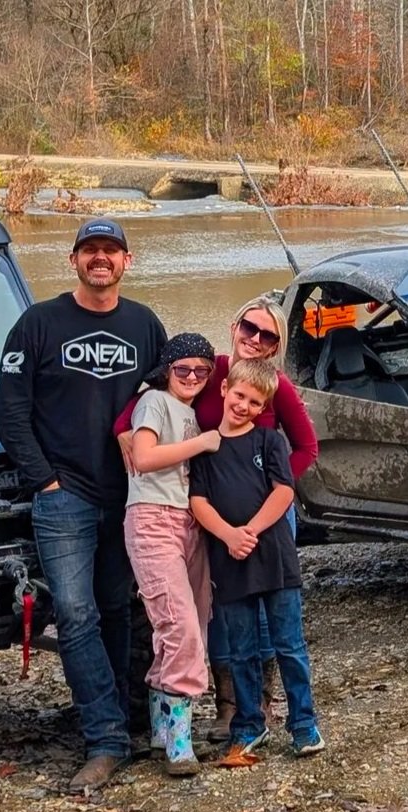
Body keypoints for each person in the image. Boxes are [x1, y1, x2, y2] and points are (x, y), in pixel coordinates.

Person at [0, 217, 167, 793]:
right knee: (74, 614)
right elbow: (9, 409)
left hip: (129, 495)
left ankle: (119, 716)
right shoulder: (38, 323)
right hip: (63, 496)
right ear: (73, 260)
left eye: (110, 251)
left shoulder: (144, 324)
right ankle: (105, 738)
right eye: (90, 250)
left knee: (116, 609)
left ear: (126, 261)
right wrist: (43, 480)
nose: (101, 259)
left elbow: (171, 399)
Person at [113, 293, 319, 741]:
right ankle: (231, 708)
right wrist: (122, 431)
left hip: (266, 513)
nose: (256, 339)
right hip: (208, 511)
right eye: (250, 328)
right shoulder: (208, 372)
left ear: (276, 344)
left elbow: (307, 447)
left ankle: (263, 705)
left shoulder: (272, 383)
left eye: (268, 335)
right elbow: (149, 398)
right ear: (234, 326)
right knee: (223, 609)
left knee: (269, 620)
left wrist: (273, 486)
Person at [189, 358, 325, 763]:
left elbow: (283, 491)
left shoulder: (270, 443)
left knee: (289, 645)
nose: (244, 405)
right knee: (241, 648)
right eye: (240, 395)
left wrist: (249, 530)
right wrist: (229, 536)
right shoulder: (206, 447)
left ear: (264, 406)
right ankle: (249, 724)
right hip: (229, 561)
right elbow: (198, 501)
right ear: (224, 389)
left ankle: (303, 724)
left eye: (254, 401)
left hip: (275, 559)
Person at [123, 333, 220, 777]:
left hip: (189, 523)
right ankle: (181, 737)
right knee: (178, 622)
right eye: (184, 369)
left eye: (202, 370)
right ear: (167, 369)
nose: (193, 377)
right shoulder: (154, 402)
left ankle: (162, 723)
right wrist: (203, 443)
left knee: (193, 620)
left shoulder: (194, 412)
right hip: (151, 519)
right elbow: (143, 457)